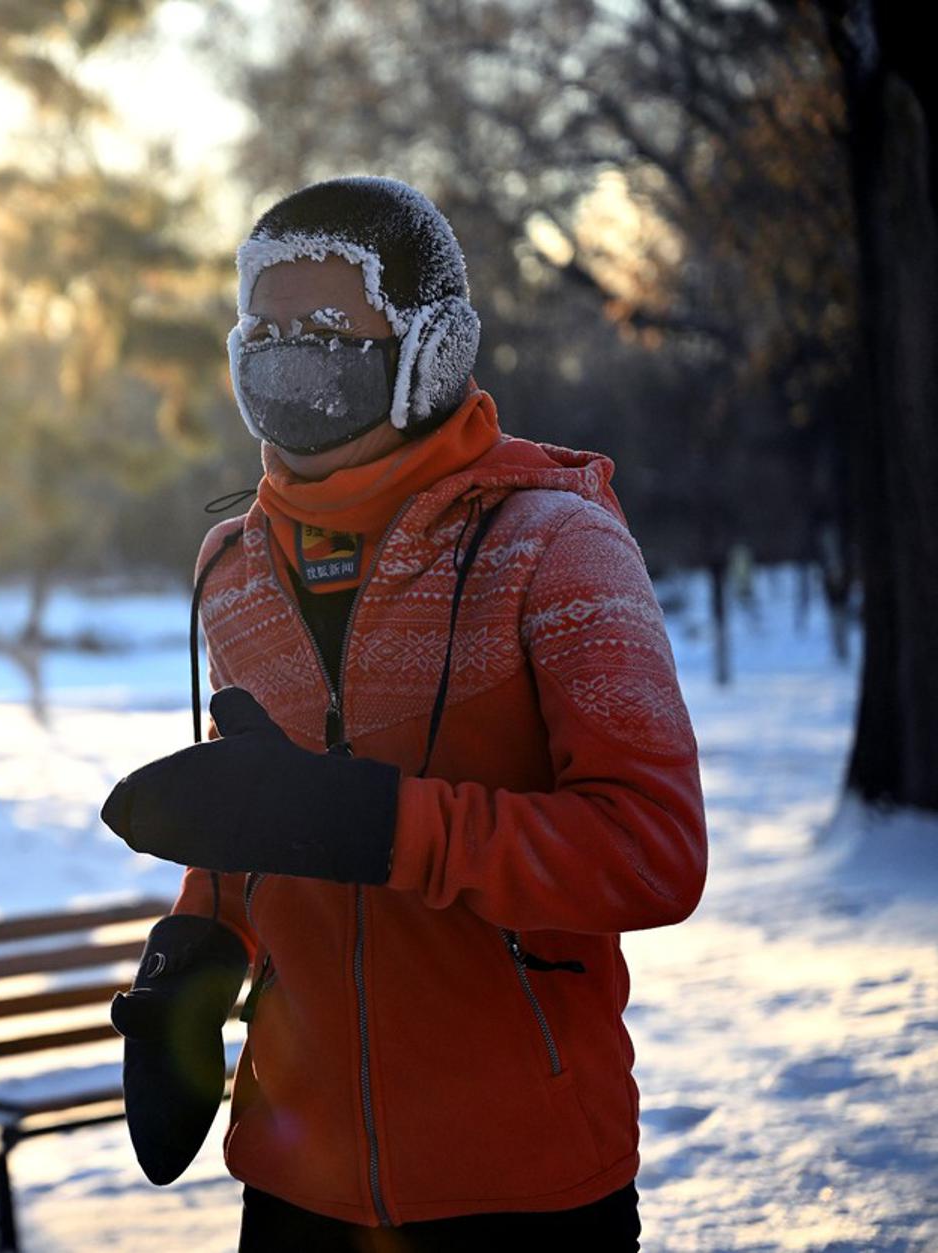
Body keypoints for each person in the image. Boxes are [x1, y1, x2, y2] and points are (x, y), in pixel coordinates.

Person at [100, 175, 708, 1251]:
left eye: (327, 333)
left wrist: (381, 826)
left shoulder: (552, 545)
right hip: (292, 1178)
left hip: (523, 1186)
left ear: (431, 350)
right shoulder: (231, 568)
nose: (287, 357)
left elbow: (650, 853)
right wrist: (197, 944)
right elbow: (259, 815)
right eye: (264, 329)